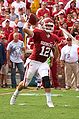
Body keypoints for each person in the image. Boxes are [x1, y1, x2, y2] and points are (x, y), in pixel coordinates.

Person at [10, 16, 59, 108]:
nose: (48, 27)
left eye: (50, 25)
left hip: (43, 63)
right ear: (43, 25)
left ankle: (49, 101)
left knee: (46, 80)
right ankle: (15, 94)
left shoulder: (54, 37)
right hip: (34, 61)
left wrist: (55, 50)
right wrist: (27, 23)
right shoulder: (38, 32)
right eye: (47, 25)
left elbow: (55, 52)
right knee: (25, 83)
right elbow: (25, 30)